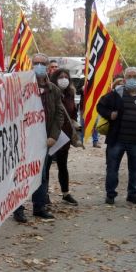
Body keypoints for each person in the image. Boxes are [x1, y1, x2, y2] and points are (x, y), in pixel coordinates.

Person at [13, 53, 65, 222]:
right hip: (24, 140)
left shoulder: (54, 90)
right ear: (31, 65)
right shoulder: (22, 87)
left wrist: (54, 136)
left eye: (43, 63)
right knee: (21, 175)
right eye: (36, 63)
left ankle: (39, 207)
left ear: (48, 65)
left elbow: (59, 115)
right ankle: (18, 208)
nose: (39, 66)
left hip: (44, 141)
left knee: (41, 175)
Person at [97, 67, 136, 205]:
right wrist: (109, 114)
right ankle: (110, 194)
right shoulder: (116, 94)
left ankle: (132, 194)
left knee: (135, 170)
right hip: (117, 140)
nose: (131, 79)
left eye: (134, 77)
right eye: (129, 76)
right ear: (124, 79)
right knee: (112, 168)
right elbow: (100, 106)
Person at [49, 68, 79, 206]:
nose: (63, 79)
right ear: (55, 78)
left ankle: (66, 193)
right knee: (46, 166)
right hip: (50, 135)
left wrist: (75, 122)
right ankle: (44, 195)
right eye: (60, 76)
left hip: (64, 136)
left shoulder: (70, 94)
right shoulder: (50, 93)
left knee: (63, 165)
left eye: (66, 76)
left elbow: (73, 113)